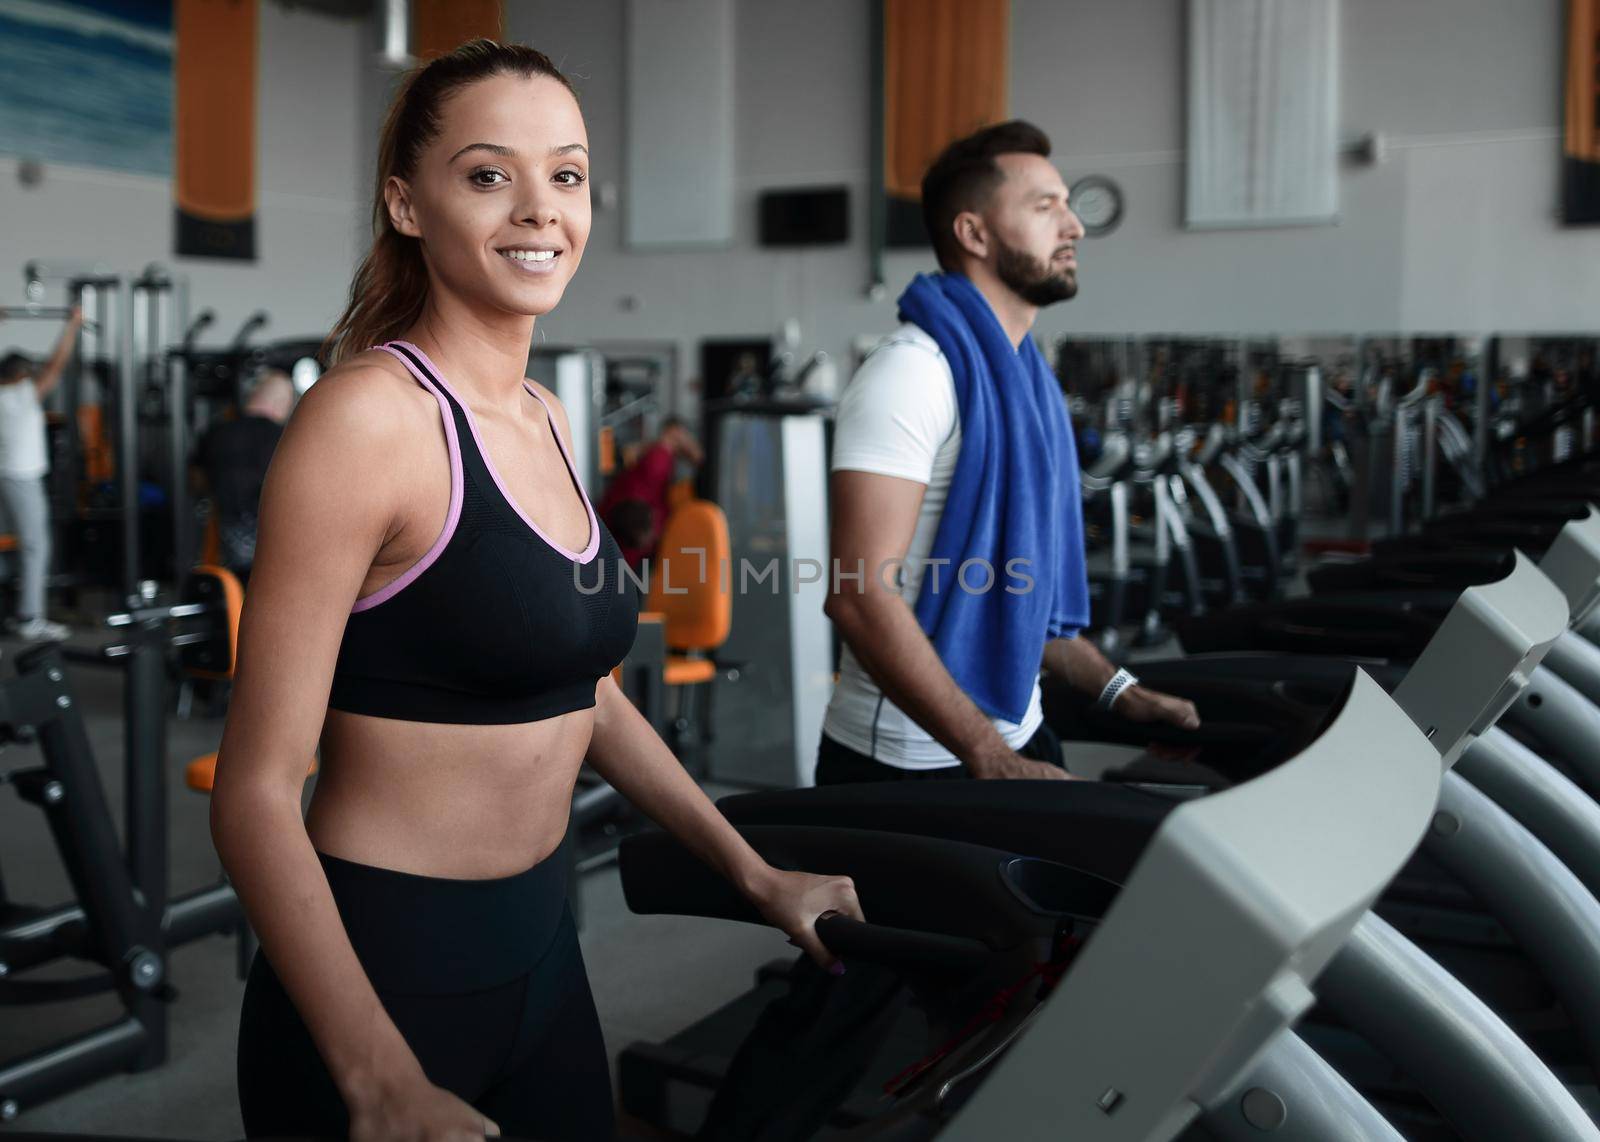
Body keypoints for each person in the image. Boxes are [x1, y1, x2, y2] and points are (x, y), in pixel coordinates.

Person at [208, 40, 860, 1142]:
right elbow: (255, 791)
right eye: (486, 174)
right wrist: (375, 1077)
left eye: (565, 174)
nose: (538, 209)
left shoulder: (552, 418)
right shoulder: (369, 422)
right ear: (406, 203)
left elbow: (583, 690)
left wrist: (755, 873)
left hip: (544, 950)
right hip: (386, 973)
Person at [696, 120, 1201, 1141]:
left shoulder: (1026, 380)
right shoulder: (913, 372)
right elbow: (858, 594)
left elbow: (1032, 602)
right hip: (913, 759)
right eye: (1045, 205)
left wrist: (1118, 694)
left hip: (1003, 734)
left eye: (1068, 204)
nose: (1072, 226)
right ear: (972, 230)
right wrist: (982, 754)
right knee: (842, 1001)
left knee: (1037, 961)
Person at [0, 306, 82, 643]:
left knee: (11, 547)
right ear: (21, 374)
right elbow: (56, 364)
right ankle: (29, 618)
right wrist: (72, 326)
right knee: (36, 547)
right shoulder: (22, 394)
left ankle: (14, 609)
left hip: (5, 477)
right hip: (22, 479)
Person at [190, 368, 296, 584]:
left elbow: (196, 481)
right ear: (281, 404)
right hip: (275, 554)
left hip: (226, 551)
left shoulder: (216, 433)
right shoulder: (286, 439)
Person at [598, 416, 704, 567]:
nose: (689, 441)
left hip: (621, 537)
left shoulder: (661, 456)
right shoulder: (659, 456)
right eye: (685, 435)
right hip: (624, 538)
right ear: (675, 432)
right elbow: (635, 504)